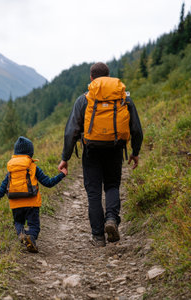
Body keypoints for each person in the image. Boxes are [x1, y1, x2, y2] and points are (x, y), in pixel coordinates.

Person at [58, 62, 143, 247]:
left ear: (91, 78)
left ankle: (98, 237)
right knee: (112, 185)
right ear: (108, 76)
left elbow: (71, 131)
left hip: (91, 151)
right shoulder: (123, 98)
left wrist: (65, 158)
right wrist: (135, 152)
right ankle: (111, 219)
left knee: (94, 193)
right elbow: (136, 128)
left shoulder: (84, 99)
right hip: (115, 148)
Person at [0, 136, 67, 252]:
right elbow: (48, 183)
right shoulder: (33, 167)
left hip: (15, 204)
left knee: (18, 222)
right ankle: (31, 236)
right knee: (34, 226)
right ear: (30, 153)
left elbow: (2, 187)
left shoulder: (11, 169)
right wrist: (62, 174)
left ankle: (21, 234)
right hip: (31, 203)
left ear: (15, 152)